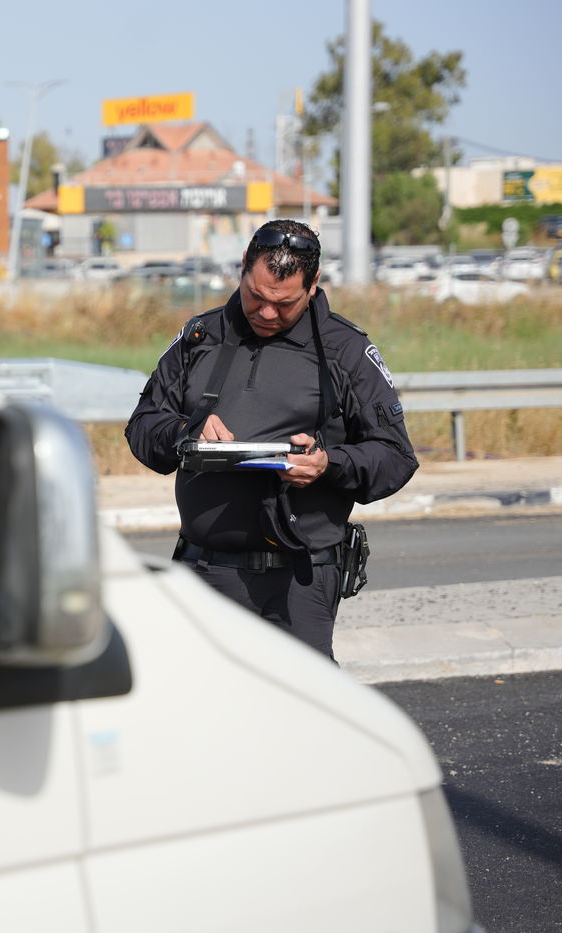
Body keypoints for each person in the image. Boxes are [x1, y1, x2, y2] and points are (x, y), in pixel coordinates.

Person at [125, 219, 417, 659]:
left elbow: (395, 456)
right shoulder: (200, 337)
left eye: (283, 304)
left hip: (300, 582)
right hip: (203, 571)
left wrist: (328, 465)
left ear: (313, 286)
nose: (265, 313)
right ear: (243, 266)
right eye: (255, 296)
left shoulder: (347, 351)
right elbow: (143, 426)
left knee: (304, 701)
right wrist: (186, 433)